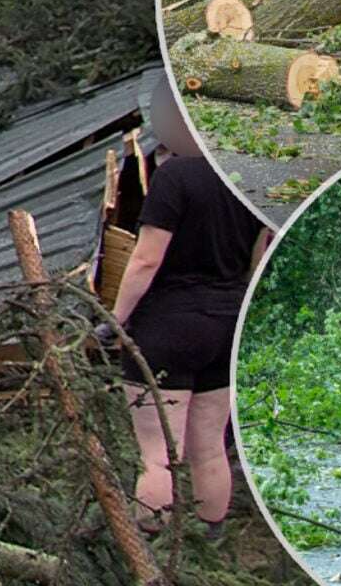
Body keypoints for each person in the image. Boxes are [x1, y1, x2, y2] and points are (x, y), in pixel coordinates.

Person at [112, 76, 267, 538]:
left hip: (169, 325)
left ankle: (149, 547)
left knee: (158, 450)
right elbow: (260, 255)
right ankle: (209, 542)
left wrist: (112, 321)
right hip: (229, 324)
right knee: (209, 446)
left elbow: (145, 260)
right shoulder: (252, 176)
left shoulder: (175, 176)